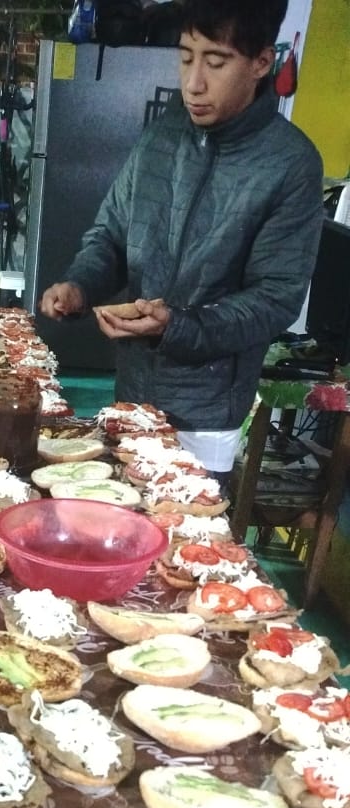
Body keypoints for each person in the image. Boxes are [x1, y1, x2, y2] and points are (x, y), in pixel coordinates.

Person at [40, 0, 325, 484]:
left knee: (186, 536)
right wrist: (81, 286)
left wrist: (175, 325)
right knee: (122, 528)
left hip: (207, 412)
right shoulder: (162, 136)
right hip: (132, 392)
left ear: (261, 62)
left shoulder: (290, 164)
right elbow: (110, 233)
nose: (194, 82)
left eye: (215, 62)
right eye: (186, 56)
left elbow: (274, 300)